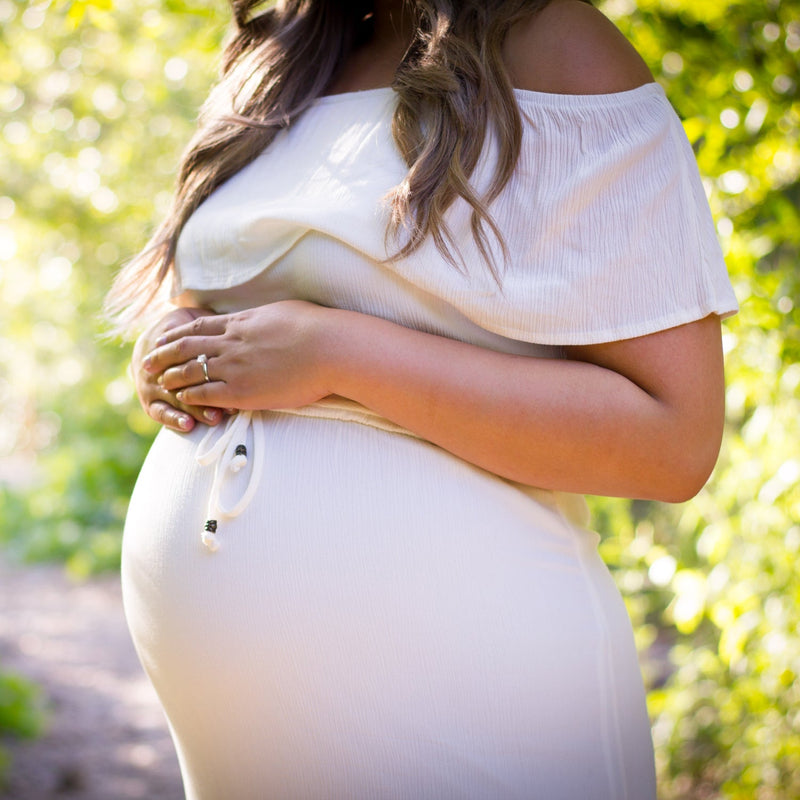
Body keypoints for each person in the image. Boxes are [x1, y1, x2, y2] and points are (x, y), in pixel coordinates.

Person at [109, 0, 738, 797]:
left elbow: (673, 440)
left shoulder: (559, 47)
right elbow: (235, 298)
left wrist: (340, 353)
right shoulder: (284, 54)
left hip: (481, 695)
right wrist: (176, 351)